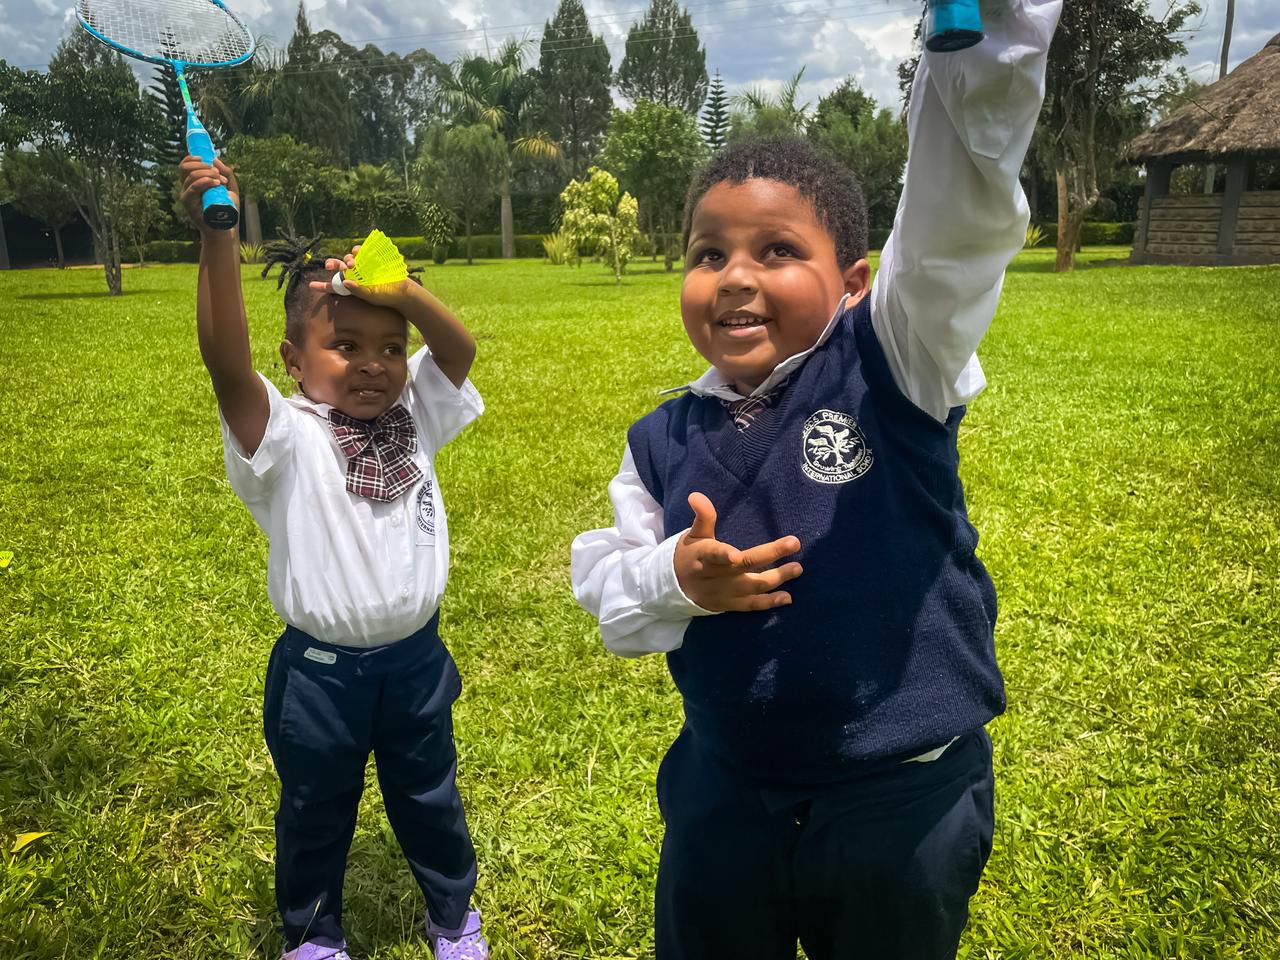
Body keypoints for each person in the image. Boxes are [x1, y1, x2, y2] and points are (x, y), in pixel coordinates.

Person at [570, 1, 1061, 957]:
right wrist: (676, 576)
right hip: (726, 789)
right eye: (708, 253)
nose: (735, 277)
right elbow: (604, 587)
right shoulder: (660, 438)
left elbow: (955, 223)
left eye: (778, 250)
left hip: (900, 803)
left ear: (856, 281)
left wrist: (974, 53)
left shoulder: (896, 361)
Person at [179, 158, 489, 960]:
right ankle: (314, 935)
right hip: (318, 677)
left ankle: (453, 919)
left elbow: (458, 351)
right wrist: (219, 236)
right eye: (344, 343)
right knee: (316, 808)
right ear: (293, 360)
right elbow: (223, 361)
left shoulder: (413, 415)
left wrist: (405, 295)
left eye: (390, 347)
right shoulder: (284, 435)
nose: (374, 363)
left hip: (416, 664)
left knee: (431, 797)